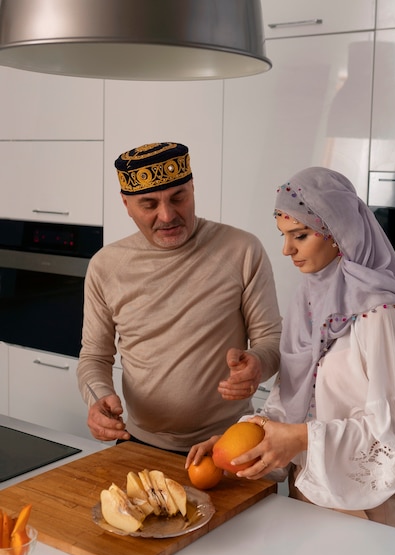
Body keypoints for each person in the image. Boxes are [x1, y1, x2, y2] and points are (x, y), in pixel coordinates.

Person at [186, 166, 395, 530]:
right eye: (283, 235)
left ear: (338, 233)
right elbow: (291, 403)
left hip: (366, 507)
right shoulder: (307, 305)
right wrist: (234, 445)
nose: (286, 249)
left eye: (300, 235)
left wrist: (301, 438)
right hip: (304, 492)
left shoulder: (382, 316)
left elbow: (393, 434)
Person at [77, 142, 281, 453]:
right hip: (138, 443)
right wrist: (97, 397)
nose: (168, 215)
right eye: (149, 204)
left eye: (178, 198)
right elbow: (94, 356)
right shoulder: (105, 266)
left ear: (193, 189)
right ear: (126, 204)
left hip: (228, 443)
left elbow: (272, 340)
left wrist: (257, 364)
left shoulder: (242, 250)